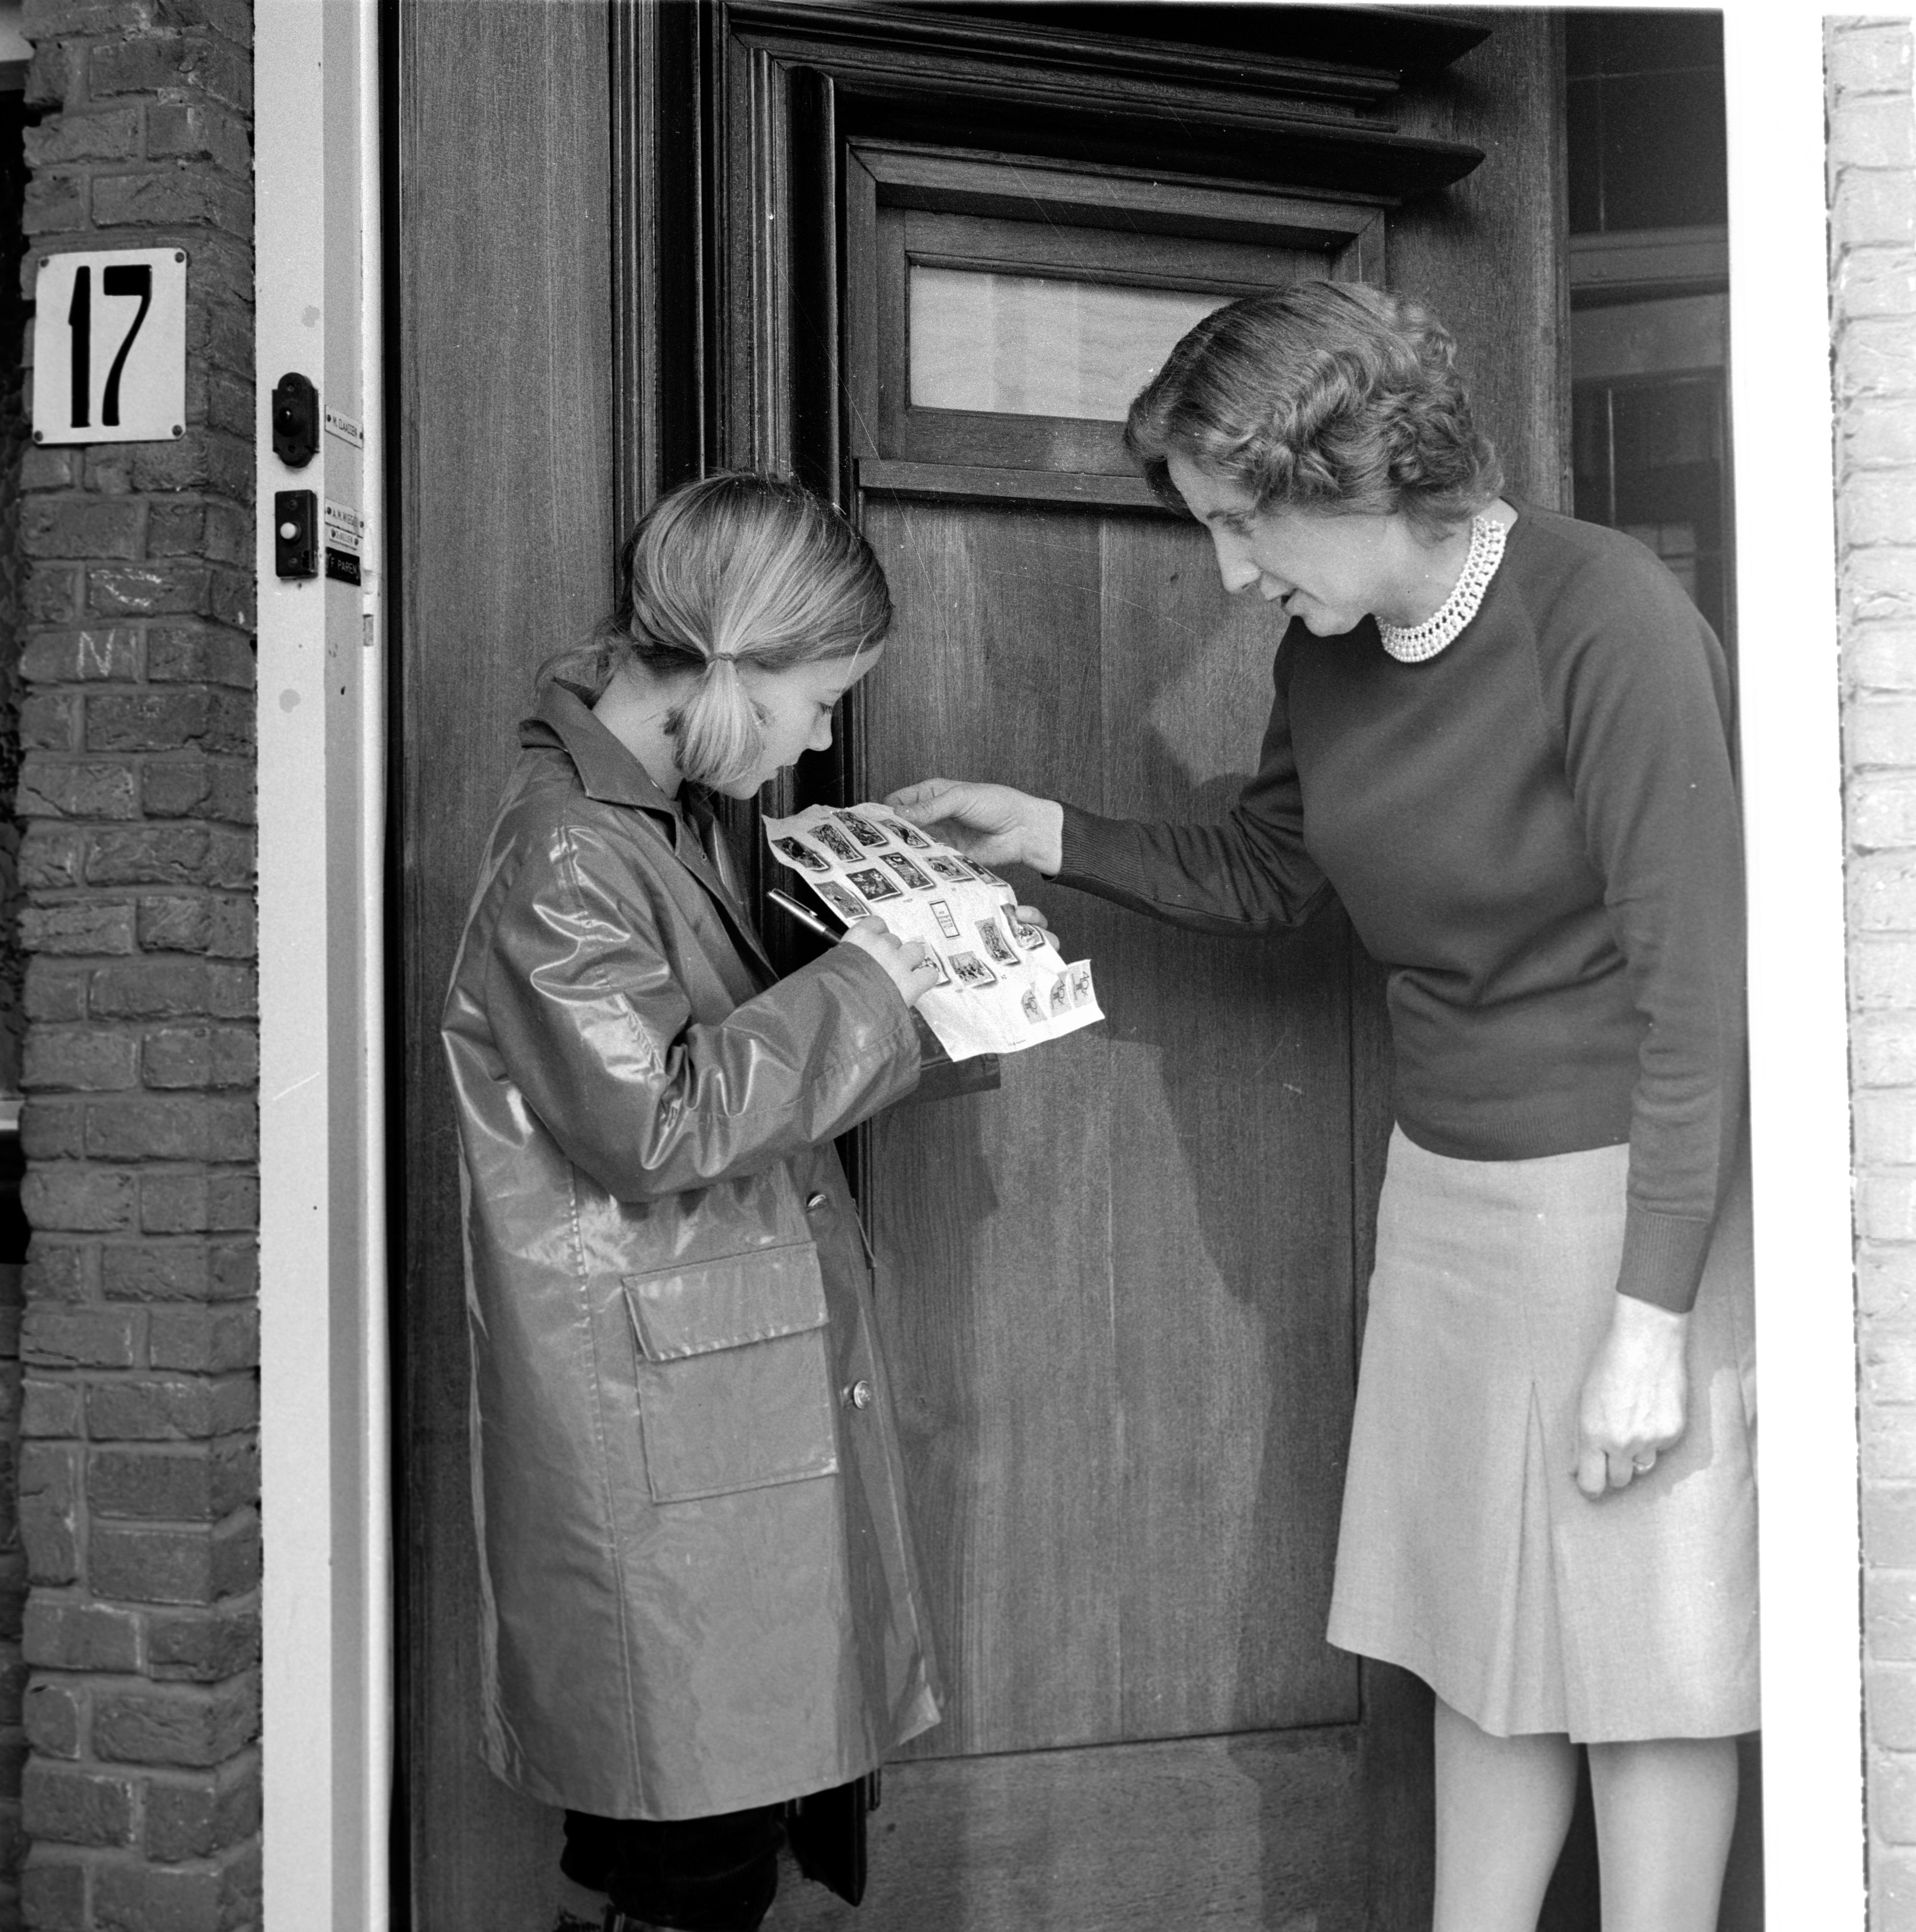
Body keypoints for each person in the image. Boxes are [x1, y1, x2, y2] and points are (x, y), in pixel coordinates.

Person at [889, 282, 1755, 1932]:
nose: (1231, 575)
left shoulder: (1607, 615)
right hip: (1447, 1196)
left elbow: (1699, 994)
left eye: (1241, 525)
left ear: (1350, 470)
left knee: (1645, 1657)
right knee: (1474, 1638)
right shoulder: (1327, 653)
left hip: (1629, 1195)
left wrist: (1653, 1313)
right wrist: (1055, 833)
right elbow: (1277, 868)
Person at [442, 473, 999, 1932]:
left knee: (711, 1842)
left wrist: (925, 956)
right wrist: (890, 976)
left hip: (703, 1396)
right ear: (738, 664)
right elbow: (657, 1115)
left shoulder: (662, 808)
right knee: (680, 1856)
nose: (824, 735)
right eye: (820, 699)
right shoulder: (569, 849)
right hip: (655, 1423)